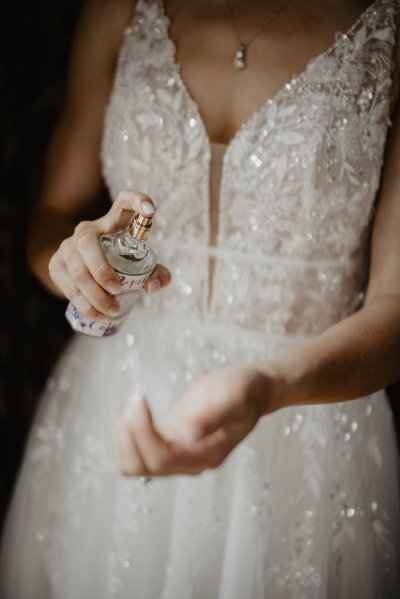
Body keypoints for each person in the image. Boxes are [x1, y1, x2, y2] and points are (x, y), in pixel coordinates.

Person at [1, 0, 400, 596]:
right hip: (116, 401)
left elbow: (395, 309)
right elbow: (54, 213)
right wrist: (73, 265)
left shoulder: (389, 28)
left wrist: (269, 385)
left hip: (306, 422)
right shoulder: (118, 9)